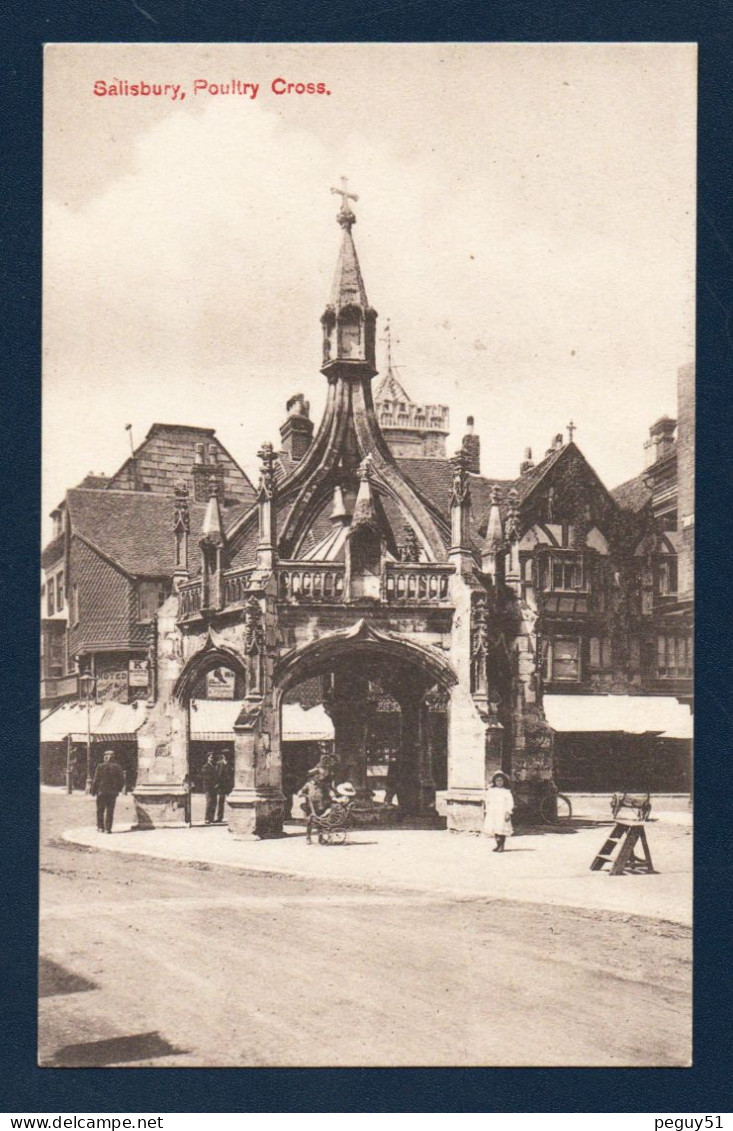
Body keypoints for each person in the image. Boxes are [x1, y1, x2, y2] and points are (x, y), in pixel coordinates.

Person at [91, 750, 126, 834]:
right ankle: (108, 829)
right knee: (110, 811)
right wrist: (118, 789)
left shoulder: (100, 766)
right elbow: (122, 780)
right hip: (112, 793)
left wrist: (93, 790)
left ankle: (100, 827)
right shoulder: (118, 767)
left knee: (100, 810)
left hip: (101, 792)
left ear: (106, 757)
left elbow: (96, 780)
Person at [298, 766, 335, 844]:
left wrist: (333, 796)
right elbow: (302, 790)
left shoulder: (322, 784)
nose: (318, 777)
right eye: (316, 776)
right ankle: (308, 837)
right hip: (310, 806)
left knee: (320, 822)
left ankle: (320, 838)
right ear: (312, 777)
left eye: (318, 776)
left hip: (320, 805)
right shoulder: (308, 785)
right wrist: (300, 793)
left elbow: (329, 790)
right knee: (309, 822)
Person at [483, 770, 514, 852]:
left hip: (502, 812)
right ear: (494, 781)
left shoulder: (506, 791)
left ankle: (502, 845)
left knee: (502, 829)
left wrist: (508, 812)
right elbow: (487, 800)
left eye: (501, 780)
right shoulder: (491, 791)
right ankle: (498, 845)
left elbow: (510, 802)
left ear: (504, 781)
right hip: (493, 812)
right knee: (495, 829)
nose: (499, 782)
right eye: (497, 780)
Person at [215, 753, 235, 823]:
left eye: (227, 755)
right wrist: (217, 783)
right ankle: (219, 817)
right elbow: (216, 774)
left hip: (229, 786)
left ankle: (233, 817)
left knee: (232, 801)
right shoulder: (219, 764)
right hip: (221, 786)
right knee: (221, 802)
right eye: (224, 755)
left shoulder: (231, 764)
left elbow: (233, 774)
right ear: (222, 756)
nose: (226, 756)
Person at [201, 751, 218, 825]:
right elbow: (206, 778)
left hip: (214, 788)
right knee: (209, 803)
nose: (212, 759)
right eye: (211, 757)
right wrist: (213, 784)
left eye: (213, 757)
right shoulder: (205, 767)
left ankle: (211, 818)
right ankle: (207, 818)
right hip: (208, 788)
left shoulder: (213, 766)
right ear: (207, 758)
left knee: (214, 803)